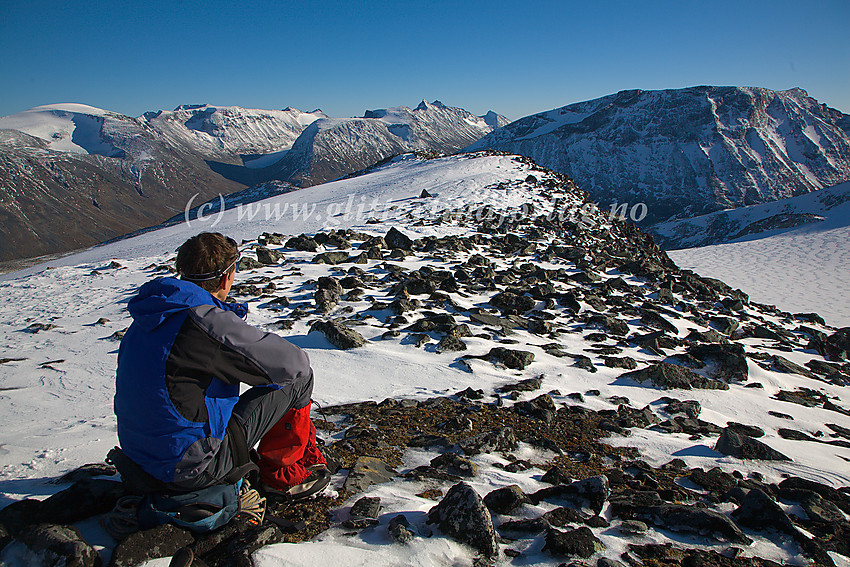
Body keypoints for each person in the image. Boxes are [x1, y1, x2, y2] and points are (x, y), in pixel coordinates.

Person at [114, 232, 328, 502]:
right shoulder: (204, 322)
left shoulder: (154, 313)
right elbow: (293, 364)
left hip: (139, 458)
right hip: (189, 469)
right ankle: (282, 477)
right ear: (228, 276)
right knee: (299, 379)